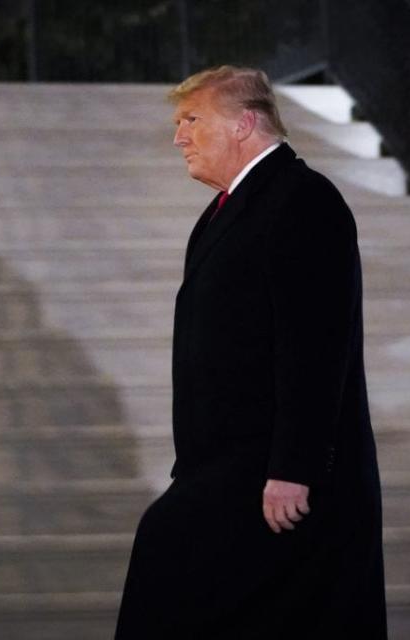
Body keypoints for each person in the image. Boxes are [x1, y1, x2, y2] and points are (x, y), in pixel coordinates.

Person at [114, 66, 387, 638]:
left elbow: (316, 346)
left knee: (168, 569)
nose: (178, 137)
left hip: (277, 478)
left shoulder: (303, 199)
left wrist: (294, 468)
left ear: (244, 124)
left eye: (191, 120)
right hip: (226, 468)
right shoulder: (226, 211)